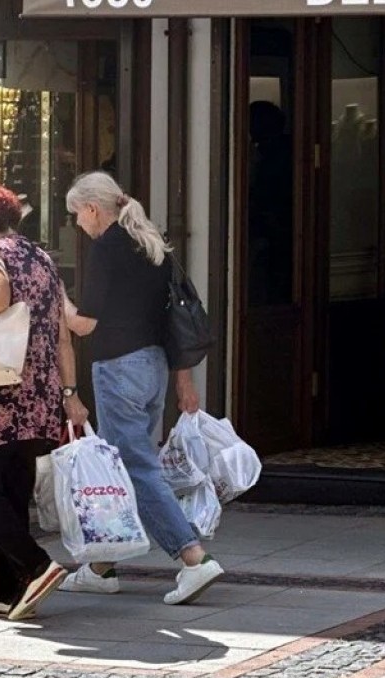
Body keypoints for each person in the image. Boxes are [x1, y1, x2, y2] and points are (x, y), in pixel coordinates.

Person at [60, 170, 224, 605]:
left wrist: (59, 302)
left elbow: (86, 323)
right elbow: (173, 322)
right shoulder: (153, 247)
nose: (77, 223)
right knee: (131, 465)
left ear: (93, 210)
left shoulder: (107, 249)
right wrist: (182, 380)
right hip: (152, 367)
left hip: (118, 368)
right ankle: (101, 566)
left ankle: (193, 557)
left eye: (77, 214)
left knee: (135, 468)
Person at [0, 185, 89, 622]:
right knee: (10, 491)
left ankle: (37, 566)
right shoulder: (42, 259)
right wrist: (69, 394)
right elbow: (64, 335)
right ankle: (6, 590)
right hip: (41, 394)